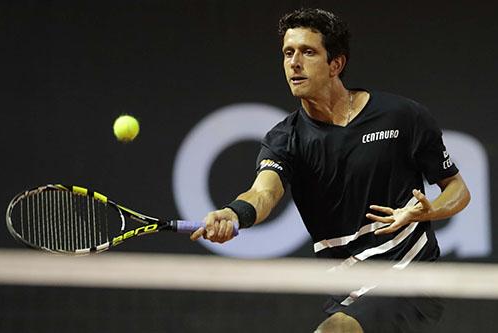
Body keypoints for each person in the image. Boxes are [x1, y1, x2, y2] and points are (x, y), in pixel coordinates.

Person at [191, 8, 470, 333]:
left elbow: (457, 188)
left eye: (308, 52)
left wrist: (427, 211)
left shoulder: (401, 117)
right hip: (349, 289)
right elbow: (263, 191)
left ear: (336, 64)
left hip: (410, 274)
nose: (294, 62)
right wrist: (234, 214)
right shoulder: (285, 140)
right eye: (288, 53)